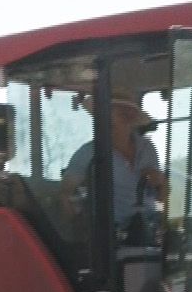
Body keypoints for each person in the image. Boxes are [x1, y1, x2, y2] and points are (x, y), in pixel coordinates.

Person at [63, 97, 171, 243]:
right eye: (101, 121)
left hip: (149, 227)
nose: (103, 126)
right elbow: (65, 194)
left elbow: (160, 195)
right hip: (110, 236)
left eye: (111, 122)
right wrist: (82, 233)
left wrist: (161, 182)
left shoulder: (146, 147)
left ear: (130, 120)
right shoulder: (88, 153)